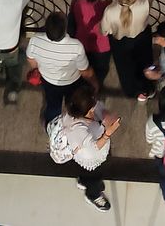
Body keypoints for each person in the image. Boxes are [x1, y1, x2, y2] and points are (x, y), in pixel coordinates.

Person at [48, 82, 119, 211]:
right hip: (91, 156)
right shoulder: (76, 129)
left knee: (91, 174)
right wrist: (108, 132)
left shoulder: (83, 107)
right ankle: (93, 194)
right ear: (86, 109)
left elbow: (99, 109)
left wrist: (105, 115)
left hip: (90, 152)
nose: (95, 104)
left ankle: (85, 180)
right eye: (92, 107)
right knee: (95, 176)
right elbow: (93, 147)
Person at [26, 13, 98, 127]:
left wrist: (39, 69)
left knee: (52, 105)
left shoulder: (35, 40)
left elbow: (31, 60)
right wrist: (94, 82)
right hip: (72, 81)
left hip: (48, 81)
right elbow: (85, 71)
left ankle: (51, 128)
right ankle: (75, 125)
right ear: (65, 29)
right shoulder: (76, 46)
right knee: (74, 105)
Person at [101, 0, 158, 101]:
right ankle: (148, 89)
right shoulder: (143, 3)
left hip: (120, 44)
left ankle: (133, 92)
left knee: (125, 69)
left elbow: (105, 31)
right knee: (145, 64)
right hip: (142, 39)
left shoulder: (110, 10)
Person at [69, 0, 112, 88]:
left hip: (82, 43)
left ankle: (86, 89)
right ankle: (97, 87)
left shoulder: (78, 4)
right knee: (101, 71)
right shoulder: (103, 6)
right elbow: (110, 4)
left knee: (84, 70)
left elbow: (72, 7)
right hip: (101, 45)